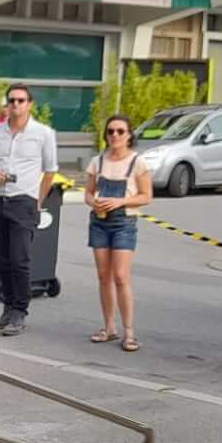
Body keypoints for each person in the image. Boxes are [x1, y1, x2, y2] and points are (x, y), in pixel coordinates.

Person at [0, 83, 59, 336]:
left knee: (19, 260)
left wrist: (38, 200)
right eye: (12, 100)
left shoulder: (43, 133)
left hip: (24, 202)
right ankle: (7, 309)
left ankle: (19, 312)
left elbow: (51, 170)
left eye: (21, 100)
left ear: (29, 104)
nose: (16, 105)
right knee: (2, 260)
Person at [84, 115, 152, 352]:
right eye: (111, 131)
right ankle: (109, 327)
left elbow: (146, 196)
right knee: (103, 275)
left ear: (129, 135)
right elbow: (88, 193)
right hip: (100, 221)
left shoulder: (138, 163)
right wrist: (96, 203)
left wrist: (120, 201)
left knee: (121, 276)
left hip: (124, 221)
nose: (115, 135)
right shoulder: (97, 162)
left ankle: (130, 332)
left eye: (120, 131)